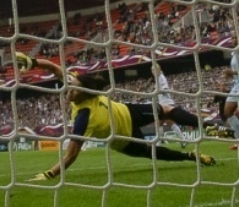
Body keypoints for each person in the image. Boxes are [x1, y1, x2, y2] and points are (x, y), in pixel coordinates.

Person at [14, 53, 216, 182]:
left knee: (165, 112)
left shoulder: (84, 116)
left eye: (73, 89)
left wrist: (50, 174)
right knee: (156, 147)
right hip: (124, 128)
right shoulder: (80, 96)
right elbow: (54, 68)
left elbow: (71, 156)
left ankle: (208, 127)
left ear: (85, 93)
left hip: (125, 122)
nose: (68, 90)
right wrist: (33, 62)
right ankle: (192, 154)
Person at [151, 63, 186, 147]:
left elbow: (165, 89)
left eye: (154, 70)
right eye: (152, 71)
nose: (153, 72)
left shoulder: (161, 78)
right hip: (163, 103)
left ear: (158, 70)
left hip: (166, 103)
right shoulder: (158, 78)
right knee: (165, 122)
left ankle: (159, 144)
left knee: (161, 122)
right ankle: (182, 140)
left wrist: (157, 91)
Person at [222, 48, 239, 150]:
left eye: (235, 37)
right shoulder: (234, 53)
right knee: (227, 111)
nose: (233, 39)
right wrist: (231, 75)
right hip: (236, 85)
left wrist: (233, 73)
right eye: (232, 37)